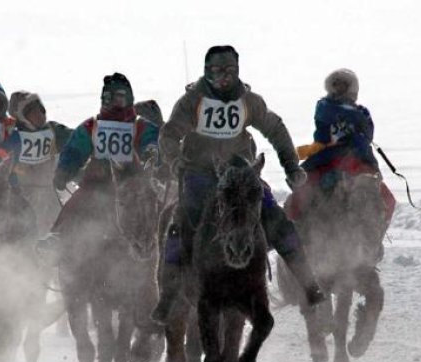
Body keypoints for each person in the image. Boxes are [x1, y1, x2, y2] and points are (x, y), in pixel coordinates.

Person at [153, 45, 324, 322]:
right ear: (207, 72)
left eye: (230, 70)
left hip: (241, 173)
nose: (224, 77)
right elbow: (169, 134)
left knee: (276, 218)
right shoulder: (192, 101)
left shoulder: (249, 101)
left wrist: (291, 166)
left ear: (238, 71)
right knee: (181, 222)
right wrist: (174, 161)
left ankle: (308, 283)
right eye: (218, 71)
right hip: (201, 174)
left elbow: (275, 129)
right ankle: (168, 295)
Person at [43, 73, 159, 246]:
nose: (113, 103)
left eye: (118, 98)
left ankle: (164, 243)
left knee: (157, 204)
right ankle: (57, 237)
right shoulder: (93, 125)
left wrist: (152, 152)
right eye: (108, 98)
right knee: (78, 201)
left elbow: (153, 141)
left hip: (135, 182)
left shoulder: (140, 125)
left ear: (128, 98)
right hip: (96, 183)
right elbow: (76, 148)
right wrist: (65, 169)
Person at [290, 68, 395, 226]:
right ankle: (296, 233)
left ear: (351, 87)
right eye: (335, 84)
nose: (338, 88)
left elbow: (367, 134)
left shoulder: (362, 112)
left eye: (342, 85)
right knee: (301, 192)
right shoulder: (324, 106)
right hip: (326, 159)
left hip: (358, 160)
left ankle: (377, 233)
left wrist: (353, 136)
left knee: (388, 200)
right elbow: (324, 126)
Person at [5, 90, 73, 234]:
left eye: (39, 109)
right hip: (20, 197)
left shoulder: (54, 130)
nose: (38, 114)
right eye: (31, 112)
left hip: (49, 195)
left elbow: (76, 140)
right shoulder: (12, 136)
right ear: (21, 117)